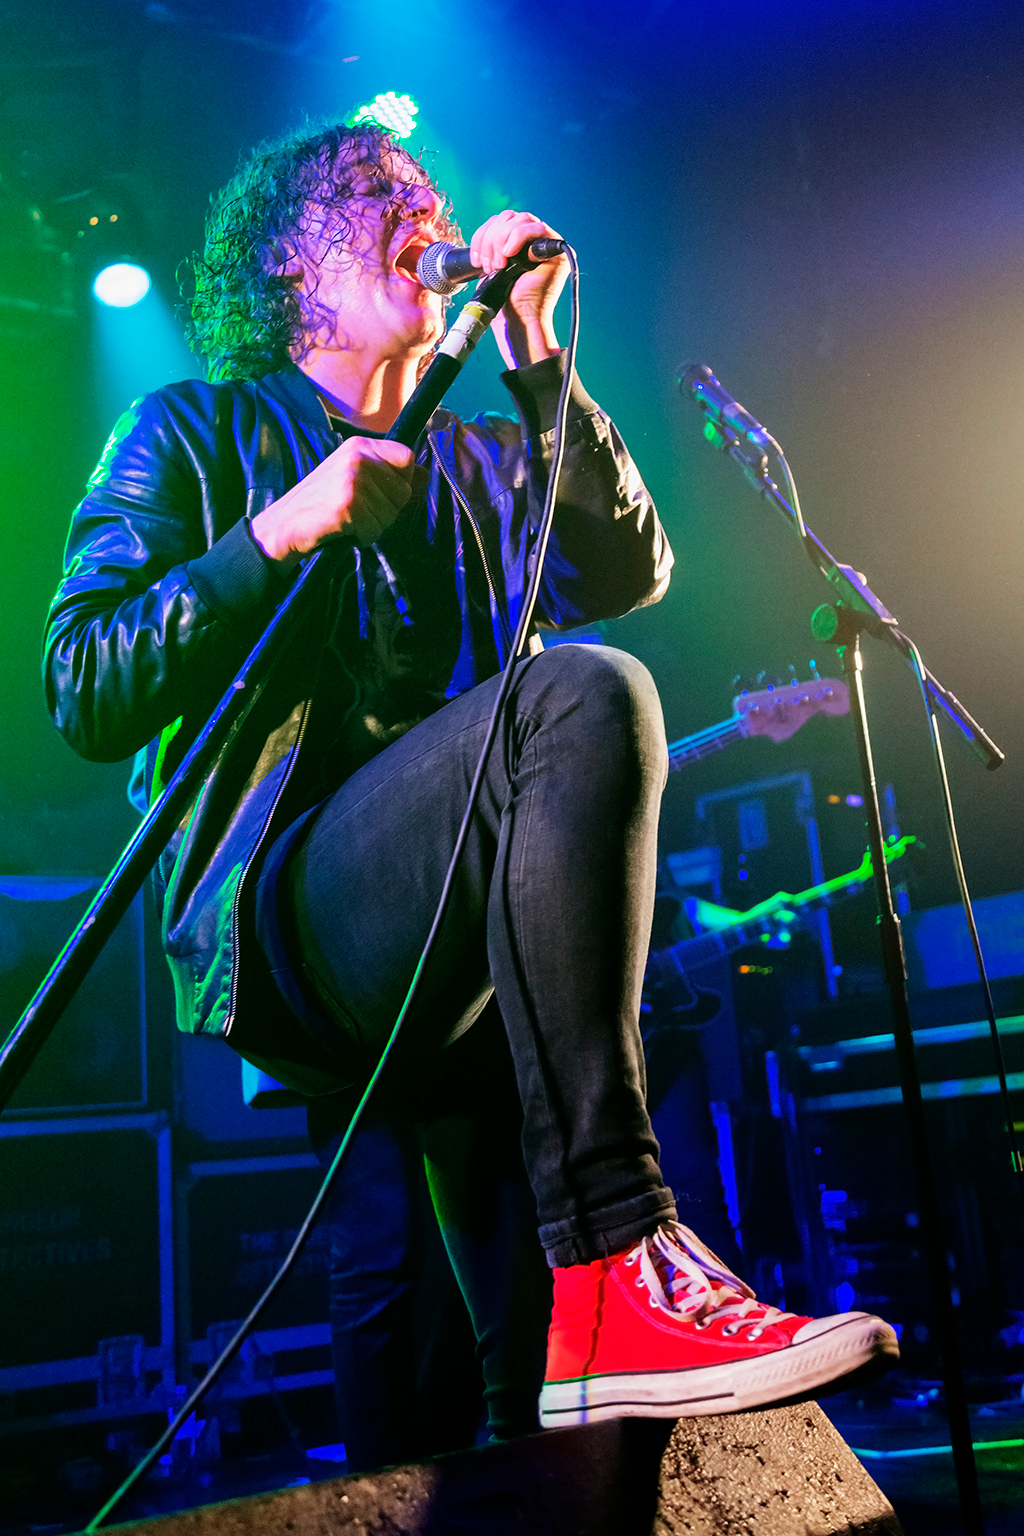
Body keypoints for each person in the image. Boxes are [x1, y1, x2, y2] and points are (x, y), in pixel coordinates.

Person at [44, 119, 897, 1441]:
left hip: (471, 935)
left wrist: (541, 353)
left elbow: (627, 570)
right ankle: (623, 1249)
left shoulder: (482, 456)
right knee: (583, 691)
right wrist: (281, 529)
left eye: (428, 191)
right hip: (292, 916)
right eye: (376, 191)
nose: (423, 209)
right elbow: (86, 683)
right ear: (287, 265)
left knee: (478, 1323)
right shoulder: (192, 431)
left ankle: (566, 1378)